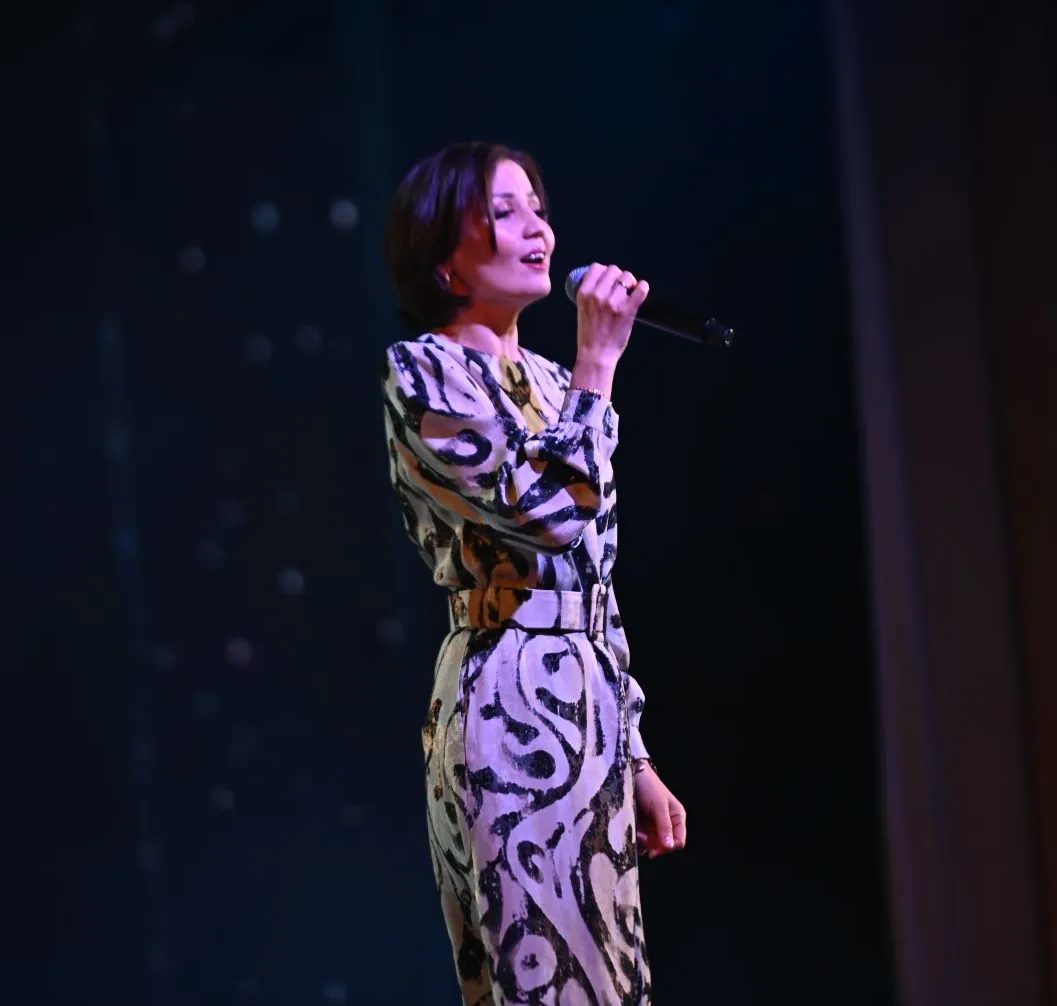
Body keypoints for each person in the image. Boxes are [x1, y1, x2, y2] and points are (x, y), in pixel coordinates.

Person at [380, 140, 688, 1005]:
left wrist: (634, 753)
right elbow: (545, 516)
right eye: (503, 212)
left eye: (539, 210)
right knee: (542, 976)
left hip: (590, 708)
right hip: (506, 702)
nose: (537, 229)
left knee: (609, 982)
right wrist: (600, 366)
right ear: (443, 260)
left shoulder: (560, 385)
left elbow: (595, 574)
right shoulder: (425, 373)